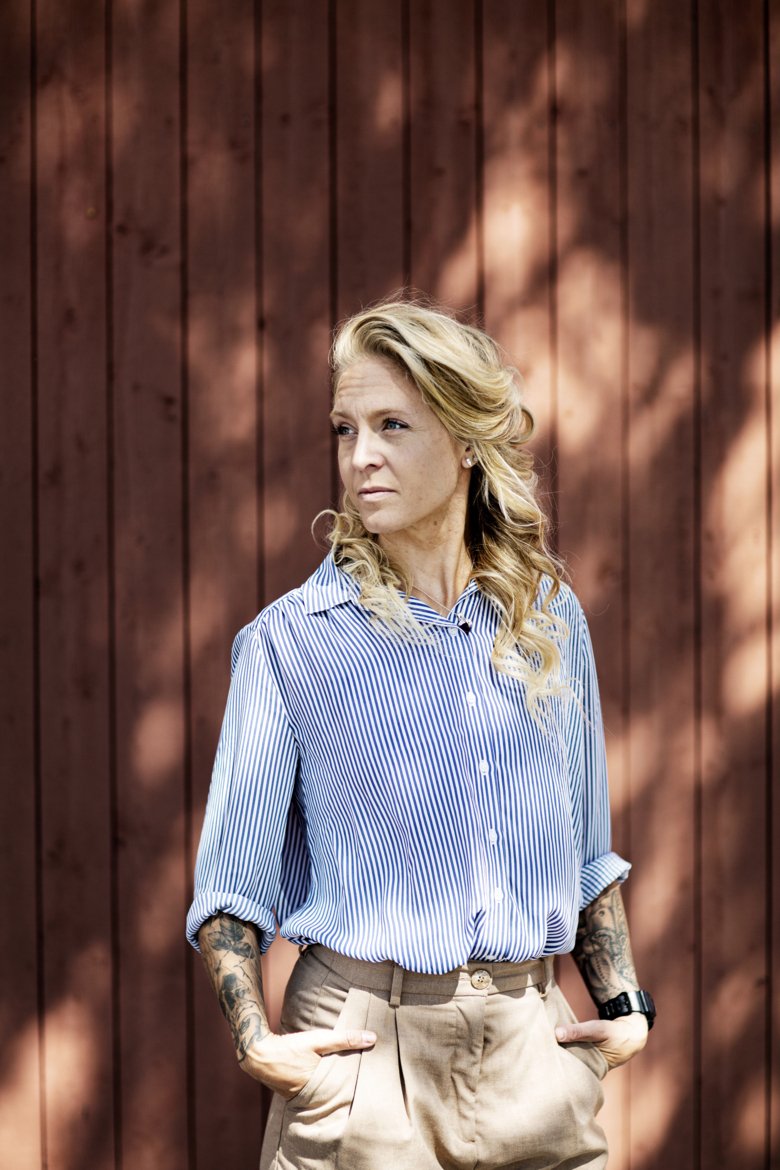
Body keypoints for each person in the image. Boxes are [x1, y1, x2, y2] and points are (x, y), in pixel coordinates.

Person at [186, 296, 653, 1170]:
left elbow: (589, 850)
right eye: (344, 428)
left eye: (392, 425)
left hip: (533, 1058)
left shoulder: (549, 618)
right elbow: (230, 893)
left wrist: (626, 1007)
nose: (361, 457)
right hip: (363, 1069)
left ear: (468, 440)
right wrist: (257, 1041)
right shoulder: (290, 642)